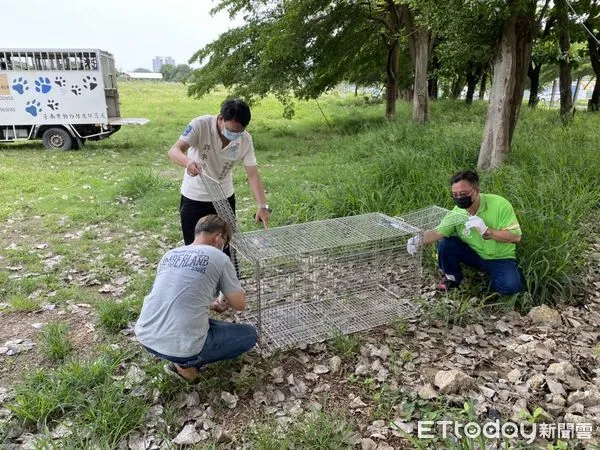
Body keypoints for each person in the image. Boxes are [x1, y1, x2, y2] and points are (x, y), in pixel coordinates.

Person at [134, 215, 257, 382]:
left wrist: (211, 304)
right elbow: (240, 304)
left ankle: (177, 353)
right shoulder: (219, 257)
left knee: (200, 323)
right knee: (249, 334)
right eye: (225, 243)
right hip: (181, 346)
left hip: (145, 334)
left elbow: (175, 295)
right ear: (218, 238)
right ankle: (186, 363)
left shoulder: (170, 254)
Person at [167, 98, 270, 248]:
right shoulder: (200, 125)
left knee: (228, 247)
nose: (235, 135)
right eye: (231, 130)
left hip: (224, 198)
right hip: (195, 196)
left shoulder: (245, 139)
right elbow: (174, 151)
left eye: (239, 131)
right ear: (221, 118)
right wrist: (188, 162)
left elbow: (253, 173)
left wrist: (262, 205)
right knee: (195, 248)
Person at [406, 170, 523, 295]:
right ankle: (452, 278)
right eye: (455, 195)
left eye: (463, 194)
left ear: (476, 190)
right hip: (473, 254)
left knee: (511, 287)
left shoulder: (500, 204)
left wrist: (487, 231)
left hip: (500, 257)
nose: (459, 198)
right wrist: (418, 239)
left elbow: (516, 237)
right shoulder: (458, 212)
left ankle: (495, 278)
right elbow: (438, 232)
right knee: (446, 244)